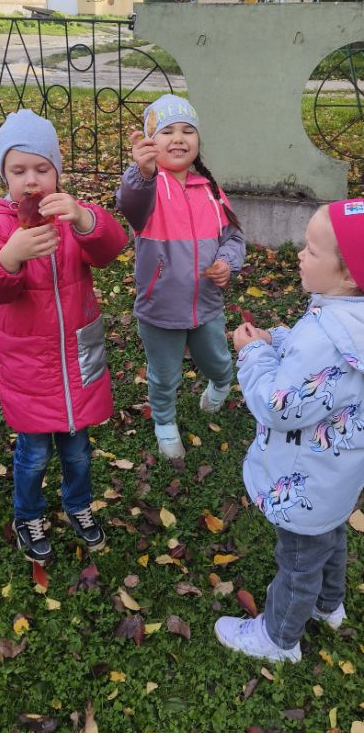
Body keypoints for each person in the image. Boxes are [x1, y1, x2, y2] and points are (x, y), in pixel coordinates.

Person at [0, 109, 128, 564]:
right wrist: (10, 256)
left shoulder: (69, 215)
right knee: (34, 454)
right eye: (18, 170)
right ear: (4, 175)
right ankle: (29, 514)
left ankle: (78, 505)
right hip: (30, 369)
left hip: (77, 360)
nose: (31, 180)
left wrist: (84, 219)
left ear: (57, 171)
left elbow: (111, 247)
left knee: (78, 451)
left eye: (42, 168)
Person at [215, 199, 364, 663]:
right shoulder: (348, 315)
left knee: (298, 560)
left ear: (348, 274)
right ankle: (329, 605)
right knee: (330, 535)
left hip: (305, 481)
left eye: (311, 250)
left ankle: (279, 639)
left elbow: (277, 406)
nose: (299, 254)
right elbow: (321, 371)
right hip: (338, 477)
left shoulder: (327, 335)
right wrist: (277, 341)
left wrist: (252, 355)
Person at [116, 94, 245, 459]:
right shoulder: (147, 188)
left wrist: (227, 262)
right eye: (167, 131)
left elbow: (233, 238)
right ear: (150, 142)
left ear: (198, 140)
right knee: (164, 375)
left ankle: (219, 386)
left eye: (187, 130)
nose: (178, 138)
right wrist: (142, 173)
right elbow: (128, 202)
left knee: (218, 361)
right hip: (159, 310)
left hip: (207, 306)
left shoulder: (210, 190)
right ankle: (164, 421)